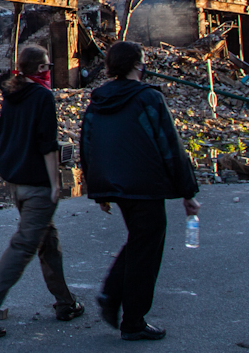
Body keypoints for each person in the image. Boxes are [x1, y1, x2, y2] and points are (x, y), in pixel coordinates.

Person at [81, 41, 201, 342]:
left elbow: (88, 146)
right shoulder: (148, 99)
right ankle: (130, 317)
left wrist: (99, 190)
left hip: (115, 185)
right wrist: (188, 191)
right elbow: (170, 146)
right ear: (137, 64)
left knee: (139, 242)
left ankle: (117, 299)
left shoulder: (97, 101)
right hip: (146, 186)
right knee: (146, 249)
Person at [0, 45, 83, 338]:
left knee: (48, 242)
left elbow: (2, 136)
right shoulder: (43, 97)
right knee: (24, 246)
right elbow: (48, 143)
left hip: (17, 184)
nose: (49, 71)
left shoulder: (12, 96)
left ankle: (65, 303)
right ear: (37, 70)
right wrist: (56, 183)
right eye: (45, 66)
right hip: (37, 185)